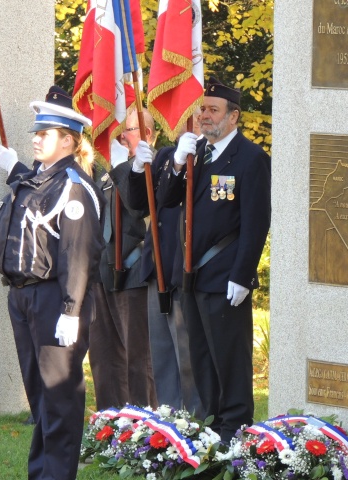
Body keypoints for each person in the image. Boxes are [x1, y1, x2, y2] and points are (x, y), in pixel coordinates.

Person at [147, 77, 271, 442]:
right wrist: (177, 163)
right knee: (200, 357)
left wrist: (243, 274)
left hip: (224, 276)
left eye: (213, 110)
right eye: (202, 109)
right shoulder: (197, 153)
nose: (204, 116)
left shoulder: (250, 159)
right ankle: (214, 424)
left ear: (234, 117)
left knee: (229, 359)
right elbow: (167, 200)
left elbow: (256, 222)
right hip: (192, 275)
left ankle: (236, 427)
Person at [0, 85, 105, 480]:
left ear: (69, 141)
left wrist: (71, 310)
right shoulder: (39, 179)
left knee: (59, 399)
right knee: (40, 397)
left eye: (45, 133)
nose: (36, 139)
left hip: (54, 300)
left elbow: (78, 252)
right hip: (23, 297)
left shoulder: (74, 185)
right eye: (36, 133)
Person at [127, 112, 203, 413]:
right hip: (158, 263)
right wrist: (136, 168)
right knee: (162, 354)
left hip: (186, 268)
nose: (191, 120)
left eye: (197, 114)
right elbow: (139, 204)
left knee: (188, 358)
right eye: (186, 114)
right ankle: (170, 423)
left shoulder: (207, 159)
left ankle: (195, 423)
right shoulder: (167, 156)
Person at [88, 107, 157, 409]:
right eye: (124, 130)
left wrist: (128, 168)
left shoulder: (155, 169)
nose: (122, 136)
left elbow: (138, 208)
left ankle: (143, 424)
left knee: (137, 358)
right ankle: (110, 422)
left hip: (134, 272)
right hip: (104, 272)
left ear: (149, 134)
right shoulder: (110, 174)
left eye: (130, 129)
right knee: (104, 355)